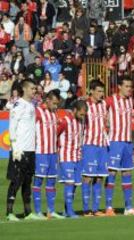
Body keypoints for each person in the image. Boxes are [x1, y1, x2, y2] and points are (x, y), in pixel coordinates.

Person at [6, 80, 42, 221]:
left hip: (30, 149)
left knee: (27, 181)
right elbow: (12, 126)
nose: (35, 91)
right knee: (16, 180)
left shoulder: (31, 105)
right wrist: (14, 147)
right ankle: (9, 212)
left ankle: (28, 212)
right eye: (32, 88)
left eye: (35, 88)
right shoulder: (19, 105)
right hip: (20, 150)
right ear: (24, 89)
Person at [104, 76, 134, 216]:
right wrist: (105, 122)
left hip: (128, 142)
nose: (129, 89)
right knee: (112, 173)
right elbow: (99, 111)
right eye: (126, 86)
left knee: (127, 173)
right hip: (115, 142)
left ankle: (128, 207)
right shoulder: (110, 100)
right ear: (119, 87)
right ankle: (108, 207)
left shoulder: (130, 101)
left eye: (130, 86)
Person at [32, 90, 64, 219]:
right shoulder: (37, 112)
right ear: (48, 100)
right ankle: (38, 211)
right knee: (38, 180)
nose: (56, 106)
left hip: (53, 152)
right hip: (41, 152)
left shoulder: (54, 113)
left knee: (51, 181)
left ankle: (51, 211)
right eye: (54, 103)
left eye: (57, 104)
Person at [81, 80, 108, 217]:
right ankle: (86, 210)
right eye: (98, 91)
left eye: (102, 91)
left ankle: (96, 209)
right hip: (89, 145)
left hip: (102, 146)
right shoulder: (85, 104)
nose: (101, 94)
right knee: (87, 177)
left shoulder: (103, 104)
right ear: (91, 91)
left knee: (100, 177)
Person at [57, 100, 87, 218]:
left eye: (84, 115)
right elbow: (55, 134)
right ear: (74, 110)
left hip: (77, 156)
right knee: (69, 183)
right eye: (81, 114)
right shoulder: (65, 121)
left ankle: (66, 210)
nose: (82, 116)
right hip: (66, 156)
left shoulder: (81, 121)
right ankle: (70, 211)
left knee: (74, 184)